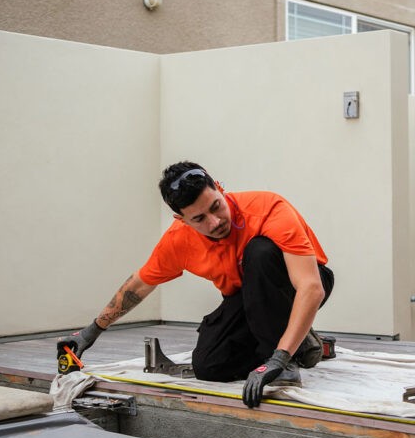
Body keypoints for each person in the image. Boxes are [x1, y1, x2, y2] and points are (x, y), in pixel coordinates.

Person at [58, 161, 334, 408]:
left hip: (297, 283)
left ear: (219, 188)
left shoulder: (269, 209)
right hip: (247, 298)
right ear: (182, 220)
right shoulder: (178, 241)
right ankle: (304, 343)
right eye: (199, 219)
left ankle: (286, 352)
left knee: (259, 252)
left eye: (216, 206)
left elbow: (311, 287)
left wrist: (278, 360)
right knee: (210, 365)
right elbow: (138, 286)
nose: (215, 222)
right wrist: (91, 332)